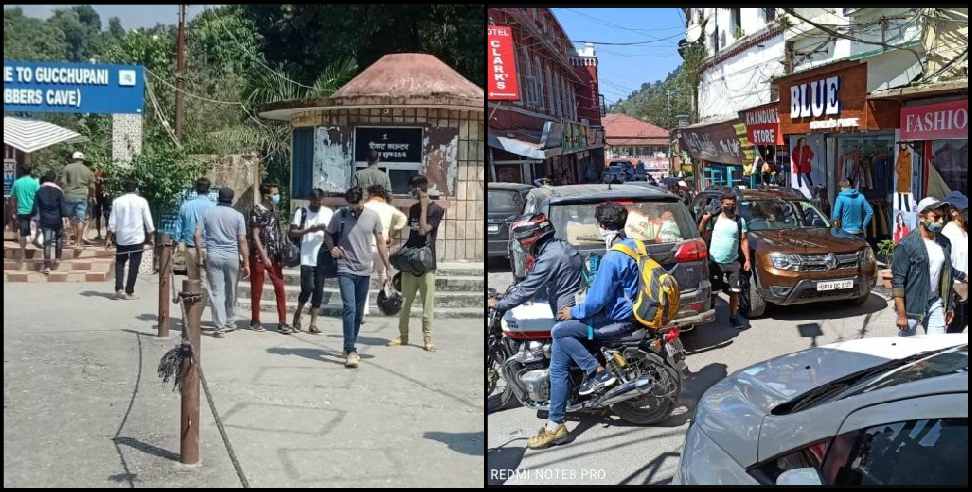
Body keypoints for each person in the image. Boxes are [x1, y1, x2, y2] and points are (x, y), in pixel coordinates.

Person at [526, 202, 640, 450]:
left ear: (601, 226)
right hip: (628, 314)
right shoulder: (633, 246)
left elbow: (596, 302)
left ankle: (595, 373)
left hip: (615, 321)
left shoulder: (613, 258)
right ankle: (559, 417)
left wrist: (573, 311)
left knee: (559, 331)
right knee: (561, 348)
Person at [324, 186, 391, 368]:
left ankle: (349, 344)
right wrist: (332, 248)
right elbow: (328, 234)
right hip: (345, 267)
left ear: (363, 200)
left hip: (364, 269)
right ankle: (351, 349)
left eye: (357, 205)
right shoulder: (340, 215)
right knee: (349, 308)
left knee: (359, 312)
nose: (355, 209)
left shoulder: (373, 216)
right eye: (351, 206)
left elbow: (380, 242)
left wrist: (387, 266)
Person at [486, 211, 581, 324]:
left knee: (559, 337)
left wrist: (498, 304)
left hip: (566, 311)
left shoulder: (550, 256)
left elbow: (529, 288)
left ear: (531, 237)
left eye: (520, 241)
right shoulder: (559, 247)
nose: (521, 245)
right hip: (569, 304)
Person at [892, 197, 967, 337]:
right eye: (936, 217)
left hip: (935, 302)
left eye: (942, 217)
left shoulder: (944, 243)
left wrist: (949, 305)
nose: (940, 221)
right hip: (912, 306)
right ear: (921, 216)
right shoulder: (906, 245)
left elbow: (948, 271)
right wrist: (901, 314)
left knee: (936, 346)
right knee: (906, 351)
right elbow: (898, 281)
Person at [390, 176, 445, 351]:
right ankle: (403, 336)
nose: (410, 193)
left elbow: (422, 231)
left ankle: (427, 339)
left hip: (427, 264)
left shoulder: (437, 209)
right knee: (405, 302)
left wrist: (423, 207)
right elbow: (412, 234)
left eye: (413, 189)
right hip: (410, 263)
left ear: (420, 189)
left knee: (427, 305)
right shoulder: (412, 208)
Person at [196, 187, 250, 337]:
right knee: (231, 290)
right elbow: (242, 240)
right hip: (232, 257)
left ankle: (219, 326)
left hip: (213, 256)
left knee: (216, 292)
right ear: (232, 199)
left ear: (218, 197)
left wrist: (200, 255)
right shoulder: (238, 216)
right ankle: (230, 321)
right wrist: (246, 263)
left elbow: (197, 235)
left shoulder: (208, 213)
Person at [698, 191, 751, 329]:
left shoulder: (740, 221)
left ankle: (733, 317)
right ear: (721, 204)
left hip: (733, 262)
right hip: (715, 261)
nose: (730, 207)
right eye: (727, 204)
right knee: (714, 291)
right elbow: (701, 233)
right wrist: (704, 220)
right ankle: (711, 312)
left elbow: (744, 240)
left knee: (735, 292)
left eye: (733, 205)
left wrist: (747, 260)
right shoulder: (714, 219)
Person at [289, 188, 334, 334]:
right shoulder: (301, 212)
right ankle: (298, 312)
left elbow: (332, 233)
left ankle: (313, 323)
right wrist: (310, 230)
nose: (317, 203)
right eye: (315, 201)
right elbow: (292, 232)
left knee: (318, 290)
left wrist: (326, 232)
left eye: (320, 200)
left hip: (322, 255)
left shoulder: (328, 212)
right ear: (310, 199)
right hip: (306, 256)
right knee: (307, 288)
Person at [249, 182, 291, 334]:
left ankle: (283, 321)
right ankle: (255, 320)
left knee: (280, 287)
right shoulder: (257, 211)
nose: (277, 196)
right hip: (259, 256)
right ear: (266, 195)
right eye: (274, 194)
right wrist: (263, 255)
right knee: (257, 289)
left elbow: (278, 231)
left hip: (275, 254)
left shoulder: (275, 209)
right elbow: (255, 236)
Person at [363, 184, 407, 321]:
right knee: (383, 274)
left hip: (366, 246)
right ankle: (388, 301)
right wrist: (393, 233)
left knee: (365, 277)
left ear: (371, 194)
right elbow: (403, 219)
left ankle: (363, 311)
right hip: (382, 246)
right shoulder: (389, 208)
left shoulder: (365, 206)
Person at [106, 178, 155, 300]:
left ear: (124, 188)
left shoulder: (117, 201)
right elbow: (148, 221)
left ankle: (119, 289)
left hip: (122, 237)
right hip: (137, 238)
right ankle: (129, 291)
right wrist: (151, 237)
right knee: (134, 265)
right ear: (136, 189)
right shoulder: (142, 201)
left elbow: (112, 221)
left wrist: (108, 238)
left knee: (120, 263)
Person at [176, 177, 217, 282]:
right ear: (209, 190)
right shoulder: (214, 207)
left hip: (191, 248)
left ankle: (194, 297)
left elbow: (178, 229)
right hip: (209, 249)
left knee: (192, 280)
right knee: (209, 281)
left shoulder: (185, 206)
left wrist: (178, 242)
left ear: (195, 189)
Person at [940, 191, 968, 333]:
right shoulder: (949, 231)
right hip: (957, 288)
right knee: (955, 328)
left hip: (966, 286)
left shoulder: (964, 229)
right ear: (954, 212)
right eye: (965, 209)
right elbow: (945, 262)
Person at [31, 171, 66, 274]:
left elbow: (34, 207)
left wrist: (33, 217)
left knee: (47, 241)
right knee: (59, 238)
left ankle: (47, 266)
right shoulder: (59, 191)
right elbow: (63, 207)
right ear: (54, 179)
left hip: (45, 219)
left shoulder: (39, 191)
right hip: (57, 219)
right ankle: (58, 258)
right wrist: (64, 216)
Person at [61, 151, 96, 251]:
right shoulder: (88, 170)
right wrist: (92, 196)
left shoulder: (67, 168)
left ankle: (72, 239)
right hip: (82, 197)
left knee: (71, 218)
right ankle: (78, 243)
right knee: (80, 219)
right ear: (83, 159)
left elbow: (63, 182)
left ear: (73, 158)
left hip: (69, 196)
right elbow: (92, 186)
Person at [10, 169, 41, 260]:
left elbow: (13, 198)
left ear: (22, 172)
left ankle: (22, 253)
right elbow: (39, 195)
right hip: (34, 211)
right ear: (30, 172)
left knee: (23, 233)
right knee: (36, 228)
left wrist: (13, 210)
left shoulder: (17, 183)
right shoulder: (34, 183)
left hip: (22, 211)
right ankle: (35, 242)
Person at [91, 166, 108, 240]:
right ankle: (98, 234)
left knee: (106, 214)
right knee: (98, 215)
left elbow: (110, 180)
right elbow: (93, 182)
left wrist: (102, 179)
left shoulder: (107, 170)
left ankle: (108, 234)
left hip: (105, 195)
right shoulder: (94, 172)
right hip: (97, 195)